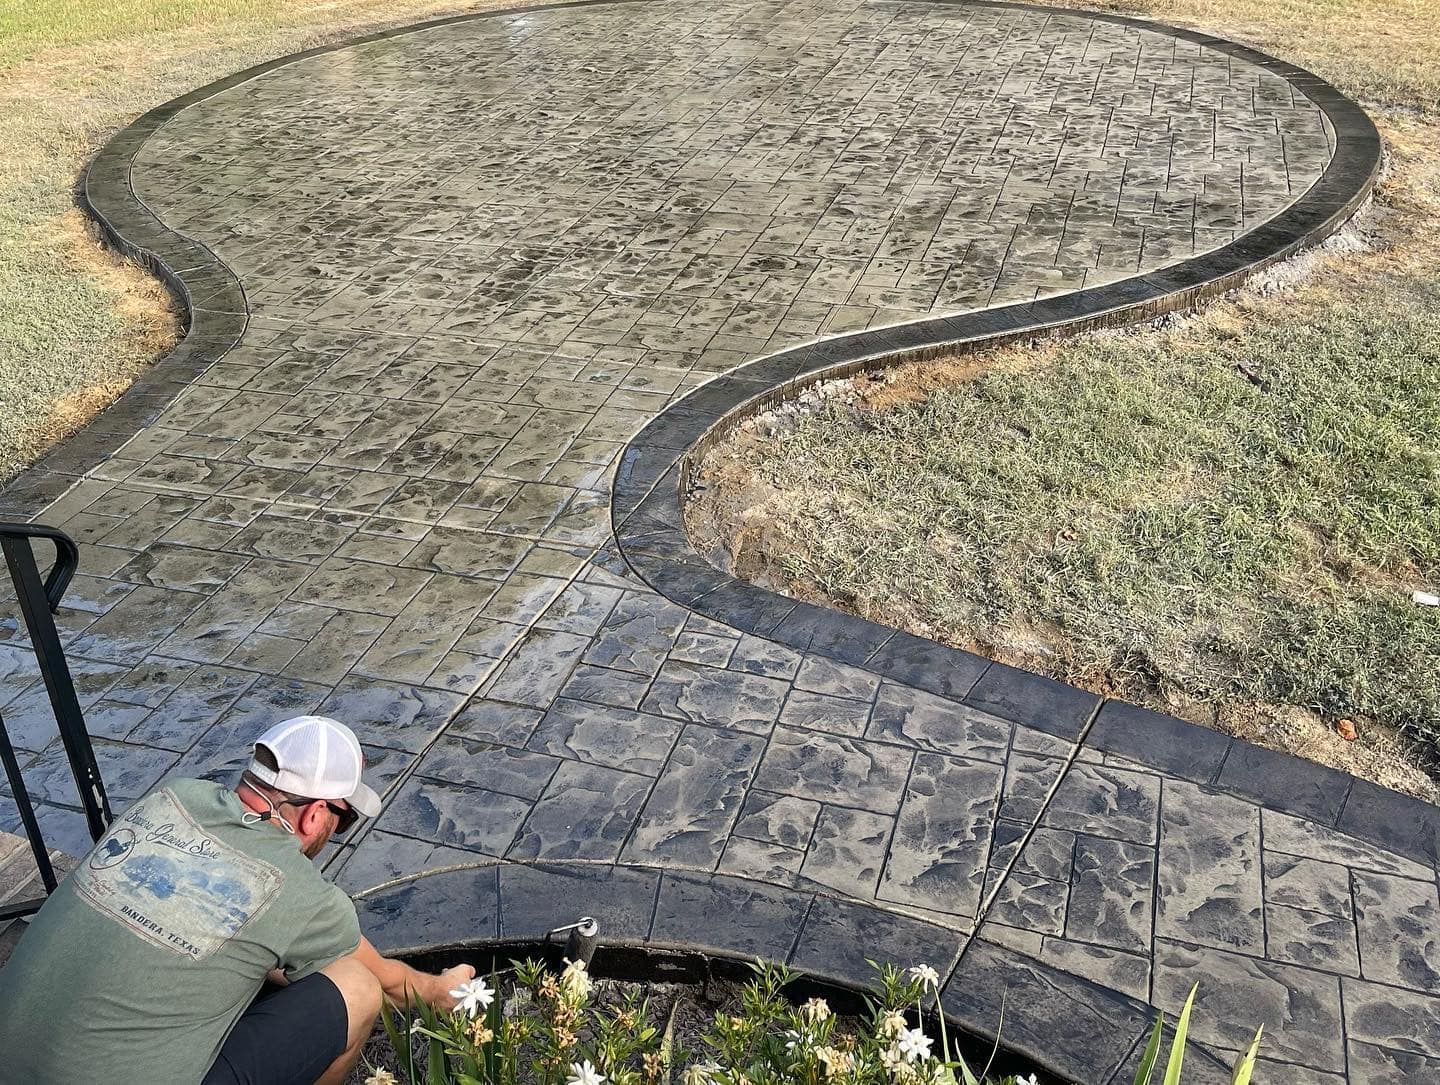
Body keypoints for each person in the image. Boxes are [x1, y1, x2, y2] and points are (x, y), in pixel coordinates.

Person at [0, 715, 475, 1084]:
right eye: (342, 820)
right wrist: (443, 989)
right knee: (356, 987)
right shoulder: (301, 892)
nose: (335, 831)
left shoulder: (173, 797)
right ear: (314, 816)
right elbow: (391, 983)